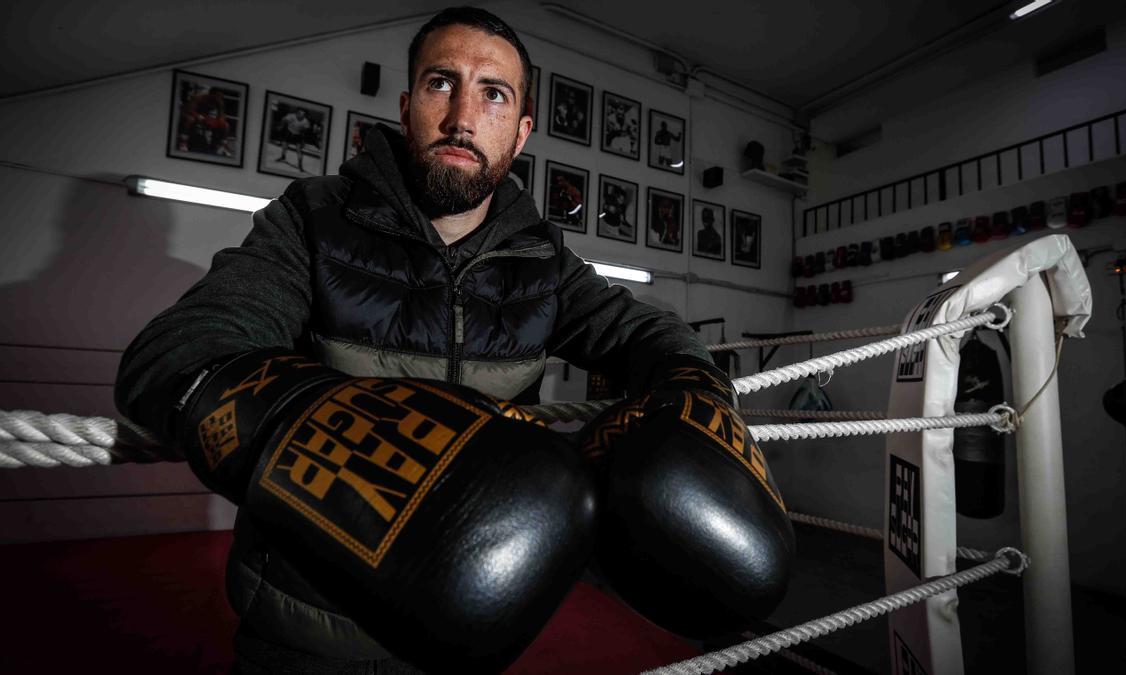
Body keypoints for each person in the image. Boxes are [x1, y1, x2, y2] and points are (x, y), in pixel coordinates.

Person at [116, 7, 789, 673]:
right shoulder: (313, 219)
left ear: (522, 131)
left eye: (493, 94)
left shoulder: (542, 264)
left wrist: (694, 385)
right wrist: (362, 444)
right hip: (308, 627)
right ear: (409, 106)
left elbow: (648, 330)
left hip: (479, 628)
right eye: (442, 83)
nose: (463, 116)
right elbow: (178, 354)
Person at [276, 107, 311, 171]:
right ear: (297, 113)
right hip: (289, 132)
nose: (300, 115)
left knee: (299, 150)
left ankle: (300, 164)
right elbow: (284, 120)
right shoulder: (291, 116)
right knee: (284, 146)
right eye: (299, 113)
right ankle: (283, 156)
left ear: (304, 115)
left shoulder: (305, 121)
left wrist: (303, 141)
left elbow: (305, 132)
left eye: (303, 114)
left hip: (298, 135)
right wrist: (281, 126)